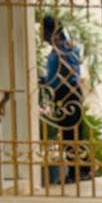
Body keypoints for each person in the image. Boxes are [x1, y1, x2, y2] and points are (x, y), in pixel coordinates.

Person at [39, 15, 88, 185]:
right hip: (70, 92)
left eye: (42, 30)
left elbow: (56, 77)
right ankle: (82, 170)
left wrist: (43, 81)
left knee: (70, 133)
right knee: (73, 132)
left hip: (66, 93)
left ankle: (76, 172)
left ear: (48, 31)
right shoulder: (69, 47)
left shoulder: (60, 50)